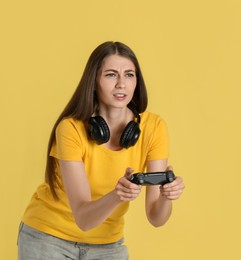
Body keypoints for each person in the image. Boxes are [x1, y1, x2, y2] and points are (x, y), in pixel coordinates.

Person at [18, 41, 185, 260]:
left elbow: (156, 217)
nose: (121, 84)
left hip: (108, 245)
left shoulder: (154, 128)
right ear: (94, 81)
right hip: (49, 238)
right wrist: (118, 195)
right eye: (111, 75)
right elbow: (84, 219)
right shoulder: (70, 129)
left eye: (129, 75)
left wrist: (166, 196)